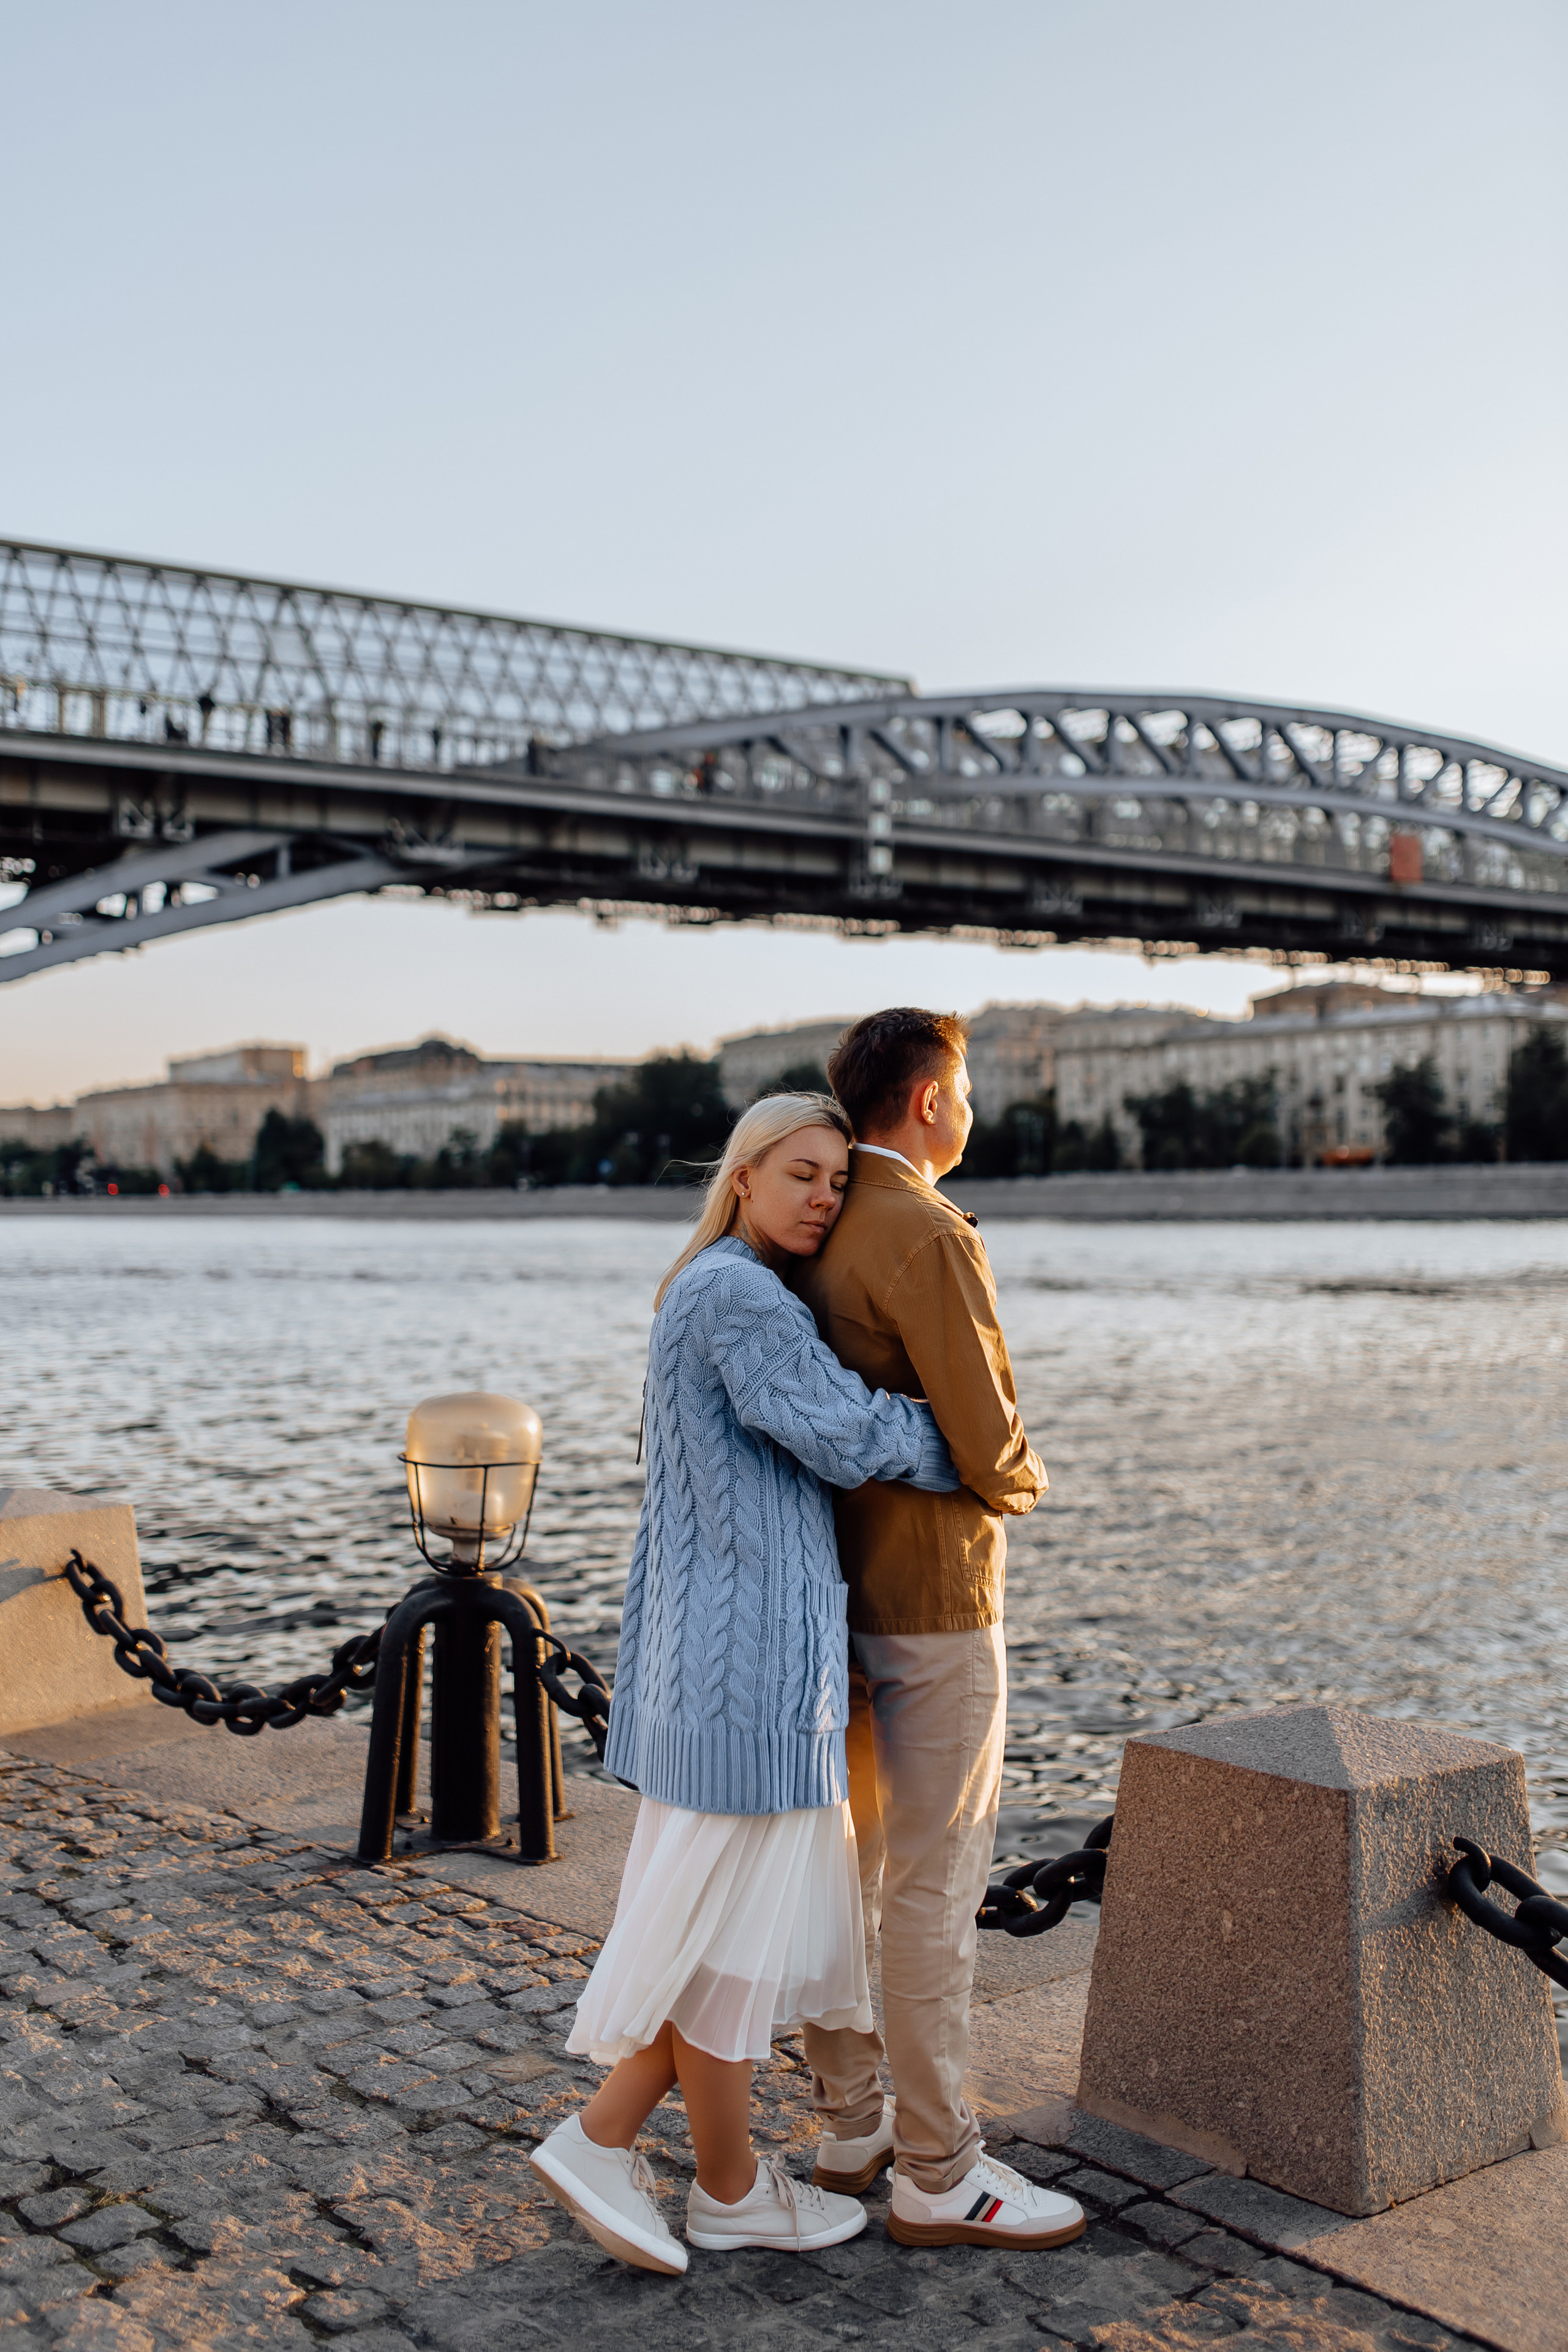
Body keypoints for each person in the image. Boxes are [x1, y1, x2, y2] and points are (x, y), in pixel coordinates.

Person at [529, 1093, 961, 2275]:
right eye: (802, 1175)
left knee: (724, 1944)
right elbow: (846, 1433)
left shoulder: (707, 1287)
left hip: (710, 1669)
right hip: (749, 1677)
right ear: (744, 1177)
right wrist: (974, 1439)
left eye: (836, 1180)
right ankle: (604, 2137)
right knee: (718, 1942)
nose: (824, 1196)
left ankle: (725, 2189)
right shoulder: (737, 1294)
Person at [796, 1009, 1084, 2250]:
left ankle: (852, 2120)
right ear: (925, 1102)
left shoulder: (809, 1218)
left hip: (826, 1597)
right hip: (930, 1604)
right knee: (929, 1884)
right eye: (961, 1089)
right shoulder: (920, 1227)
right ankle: (939, 2168)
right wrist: (1025, 1480)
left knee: (837, 1878)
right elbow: (987, 1442)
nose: (968, 1111)